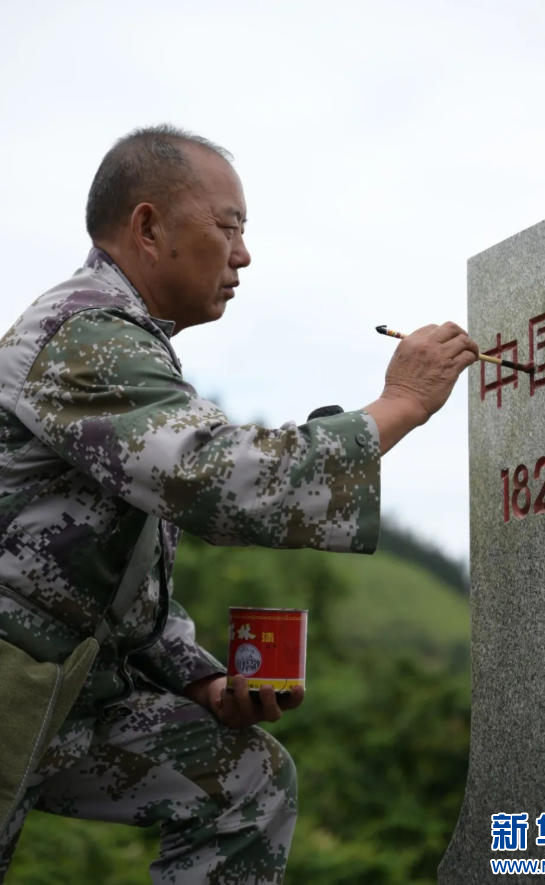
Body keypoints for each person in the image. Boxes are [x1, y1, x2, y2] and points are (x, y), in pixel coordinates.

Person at [0, 125, 478, 883]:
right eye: (230, 227)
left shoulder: (131, 344)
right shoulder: (84, 331)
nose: (243, 254)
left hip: (66, 691)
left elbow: (110, 577)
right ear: (149, 226)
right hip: (17, 678)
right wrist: (401, 403)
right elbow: (218, 478)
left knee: (243, 778)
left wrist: (201, 680)